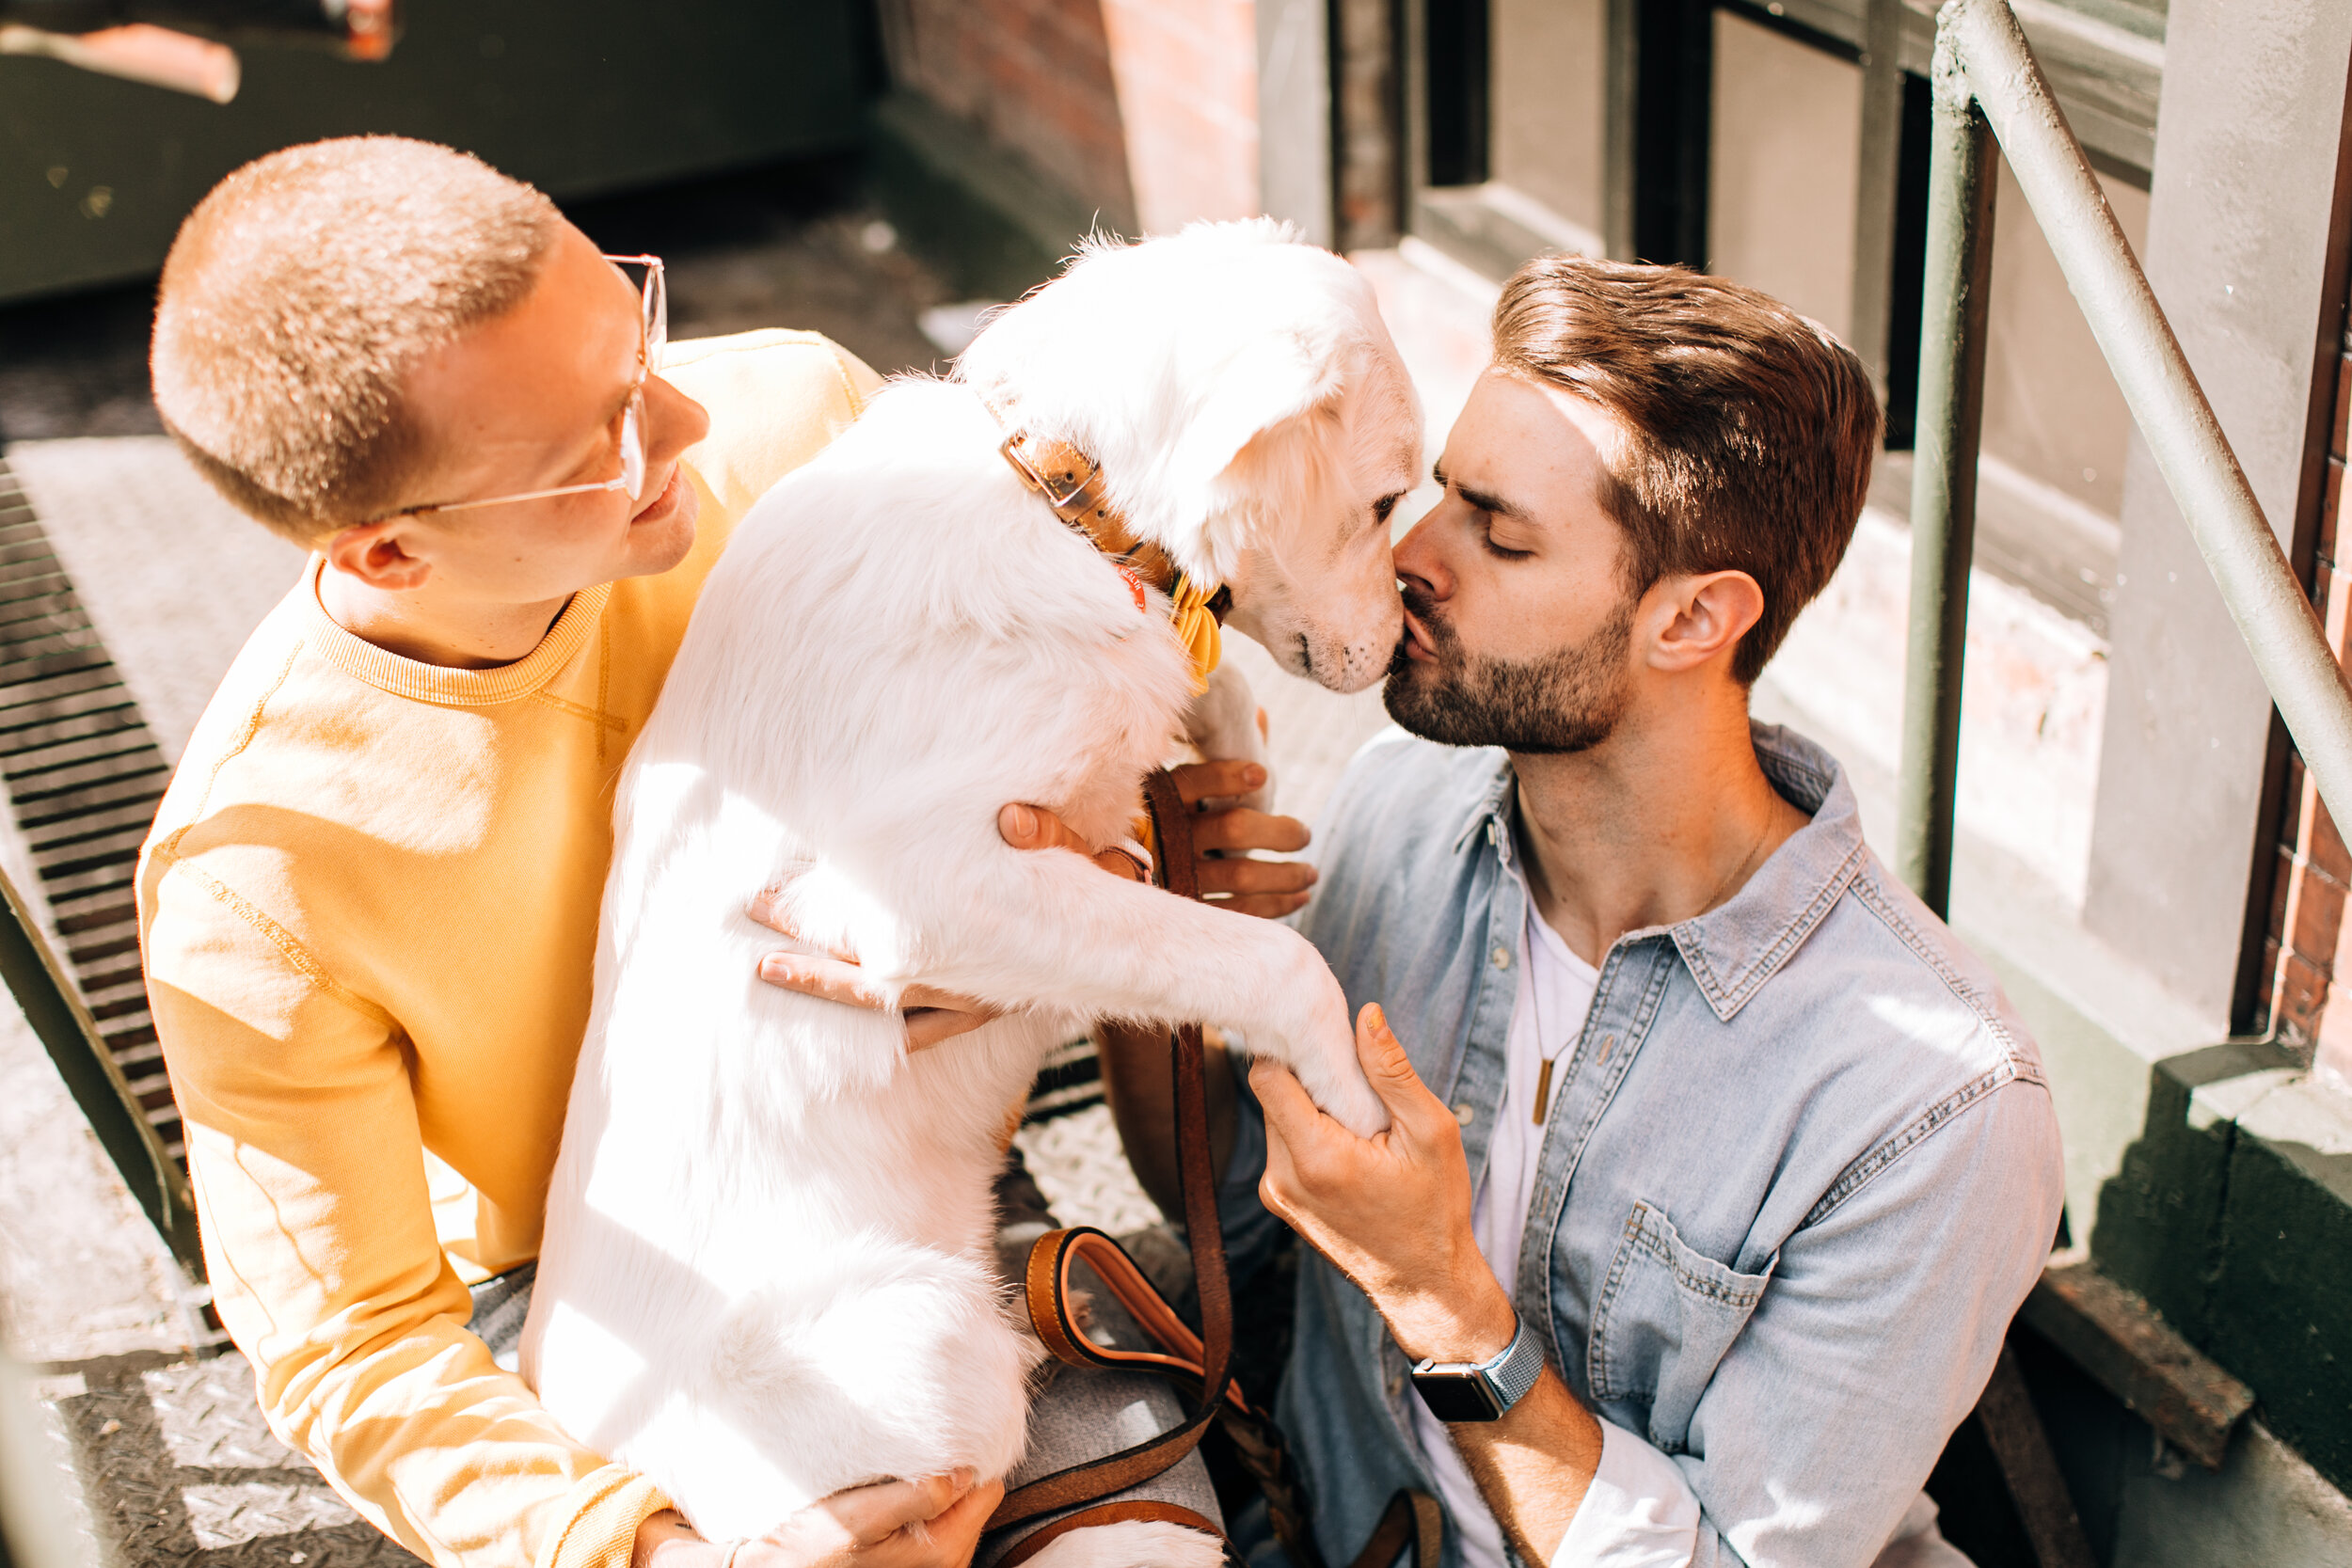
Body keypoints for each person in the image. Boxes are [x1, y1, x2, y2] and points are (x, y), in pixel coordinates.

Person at [137, 135, 1243, 1568]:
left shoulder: (807, 412)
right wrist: (661, 1553)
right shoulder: (253, 883)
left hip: (904, 1163)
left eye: (636, 331)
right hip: (592, 1293)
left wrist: (1126, 856)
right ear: (385, 554)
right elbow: (352, 1349)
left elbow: (1119, 663)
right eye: (594, 445)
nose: (684, 421)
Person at [969, 256, 2063, 1568]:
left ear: (1693, 618)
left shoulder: (1929, 1106)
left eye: (1499, 532)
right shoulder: (1402, 803)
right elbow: (1250, 1223)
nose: (1411, 556)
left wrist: (1444, 1301)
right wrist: (1160, 936)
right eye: (1436, 490)